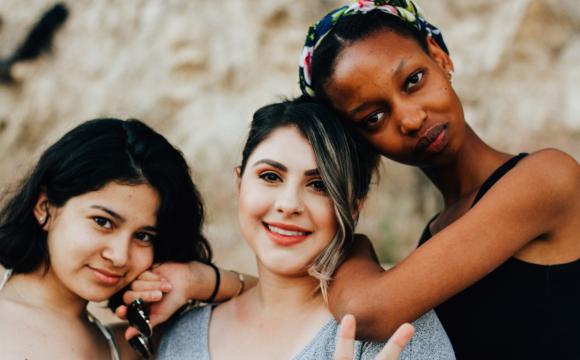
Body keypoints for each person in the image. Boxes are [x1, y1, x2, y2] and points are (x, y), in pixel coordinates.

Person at [297, 1, 580, 359]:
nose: (411, 119)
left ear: (440, 58)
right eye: (374, 117)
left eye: (413, 81)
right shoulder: (434, 235)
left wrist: (355, 245)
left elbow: (368, 311)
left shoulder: (547, 178)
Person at [156, 98, 455, 359]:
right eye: (270, 176)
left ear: (353, 207)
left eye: (318, 185)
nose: (289, 204)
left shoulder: (396, 332)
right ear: (239, 183)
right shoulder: (184, 336)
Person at [0, 118, 213, 359]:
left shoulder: (127, 347)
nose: (120, 256)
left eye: (143, 236)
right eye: (102, 222)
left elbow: (260, 308)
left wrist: (196, 280)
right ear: (44, 207)